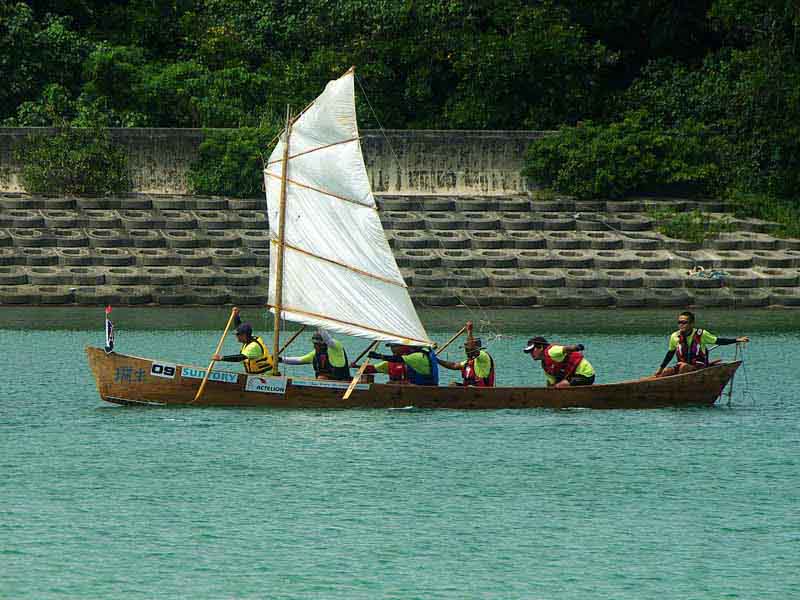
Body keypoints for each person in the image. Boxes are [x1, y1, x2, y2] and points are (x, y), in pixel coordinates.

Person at [655, 311, 749, 377]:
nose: (681, 325)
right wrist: (660, 369)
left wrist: (737, 340)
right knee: (667, 371)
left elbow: (719, 341)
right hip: (682, 366)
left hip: (698, 367)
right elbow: (670, 354)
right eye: (679, 322)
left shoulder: (702, 334)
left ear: (692, 324)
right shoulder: (674, 336)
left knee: (683, 366)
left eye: (684, 322)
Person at [212, 307, 273, 374]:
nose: (236, 336)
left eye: (237, 334)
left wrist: (221, 358)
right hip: (255, 375)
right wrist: (236, 315)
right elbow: (239, 326)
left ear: (244, 335)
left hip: (265, 377)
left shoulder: (253, 347)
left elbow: (240, 358)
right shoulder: (250, 337)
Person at [278, 329, 351, 381]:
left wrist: (319, 325)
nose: (315, 346)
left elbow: (328, 339)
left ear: (323, 344)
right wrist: (280, 359)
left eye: (317, 344)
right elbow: (299, 360)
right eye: (314, 344)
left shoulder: (336, 348)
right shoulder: (315, 354)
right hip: (323, 381)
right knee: (320, 378)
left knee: (321, 378)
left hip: (342, 381)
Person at [438, 322, 495, 386]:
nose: (466, 350)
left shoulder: (483, 356)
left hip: (481, 391)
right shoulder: (468, 362)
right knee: (452, 385)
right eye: (466, 348)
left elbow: (472, 351)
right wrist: (436, 360)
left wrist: (469, 331)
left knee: (470, 387)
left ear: (476, 348)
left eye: (467, 348)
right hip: (468, 390)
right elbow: (453, 365)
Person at [523, 336, 595, 387]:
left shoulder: (552, 351)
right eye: (529, 352)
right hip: (572, 377)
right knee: (555, 385)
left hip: (585, 375)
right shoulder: (545, 365)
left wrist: (577, 347)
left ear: (541, 347)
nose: (531, 354)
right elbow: (551, 382)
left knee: (560, 385)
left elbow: (566, 349)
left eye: (532, 350)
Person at [362, 343, 439, 385]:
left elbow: (397, 359)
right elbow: (372, 369)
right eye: (391, 347)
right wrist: (355, 367)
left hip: (424, 389)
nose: (392, 349)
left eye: (394, 346)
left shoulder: (418, 356)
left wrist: (378, 356)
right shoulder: (396, 362)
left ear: (405, 346)